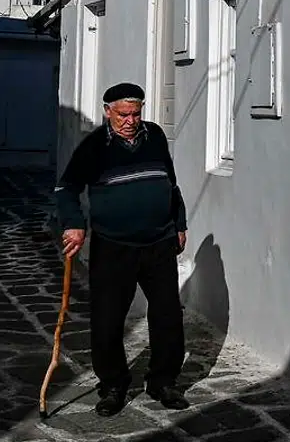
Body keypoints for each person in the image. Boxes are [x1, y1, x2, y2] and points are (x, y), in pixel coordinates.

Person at [55, 82, 190, 416]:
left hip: (159, 243)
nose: (130, 120)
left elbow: (170, 183)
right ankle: (113, 385)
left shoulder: (155, 136)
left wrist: (180, 222)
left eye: (136, 113)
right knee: (108, 320)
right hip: (114, 246)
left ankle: (163, 382)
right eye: (123, 114)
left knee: (167, 315)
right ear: (108, 112)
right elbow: (66, 188)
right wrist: (74, 224)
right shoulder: (94, 146)